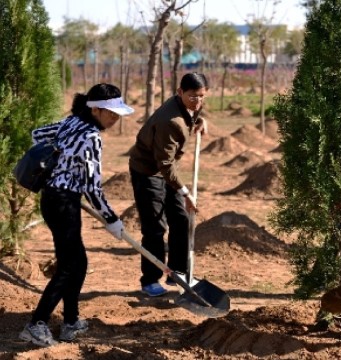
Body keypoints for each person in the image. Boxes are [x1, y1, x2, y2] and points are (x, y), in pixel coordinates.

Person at [19, 84, 133, 347]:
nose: (115, 118)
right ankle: (36, 324)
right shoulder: (91, 137)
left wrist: (58, 164)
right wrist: (112, 220)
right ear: (95, 109)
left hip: (56, 199)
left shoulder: (71, 122)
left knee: (77, 263)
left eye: (117, 113)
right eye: (110, 113)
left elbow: (38, 134)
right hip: (63, 204)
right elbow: (92, 188)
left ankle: (70, 321)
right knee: (70, 266)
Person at [129, 72, 207, 297]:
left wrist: (199, 120)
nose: (198, 101)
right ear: (180, 92)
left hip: (166, 168)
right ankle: (150, 280)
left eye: (202, 96)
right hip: (147, 172)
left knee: (181, 218)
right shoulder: (170, 121)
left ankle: (178, 273)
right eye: (193, 97)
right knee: (155, 227)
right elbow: (164, 164)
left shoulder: (188, 106)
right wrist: (185, 192)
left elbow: (193, 112)